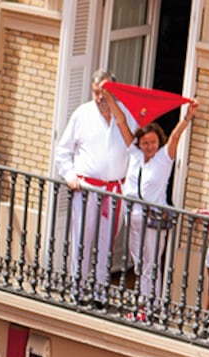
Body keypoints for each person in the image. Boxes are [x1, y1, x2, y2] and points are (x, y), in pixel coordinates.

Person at [105, 91, 197, 310]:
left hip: (153, 218)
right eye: (145, 142)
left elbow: (175, 136)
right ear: (140, 143)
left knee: (151, 263)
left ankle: (149, 307)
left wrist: (187, 117)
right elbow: (121, 122)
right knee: (138, 263)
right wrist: (109, 96)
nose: (149, 146)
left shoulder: (164, 158)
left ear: (159, 142)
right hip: (133, 216)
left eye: (153, 142)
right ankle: (146, 302)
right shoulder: (135, 154)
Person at [53, 70, 133, 298]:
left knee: (106, 245)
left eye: (103, 92)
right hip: (86, 189)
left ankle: (100, 293)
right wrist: (69, 174)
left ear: (113, 91)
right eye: (95, 92)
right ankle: (77, 291)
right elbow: (63, 151)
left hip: (115, 191)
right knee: (82, 241)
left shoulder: (125, 115)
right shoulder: (82, 114)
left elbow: (135, 150)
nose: (99, 97)